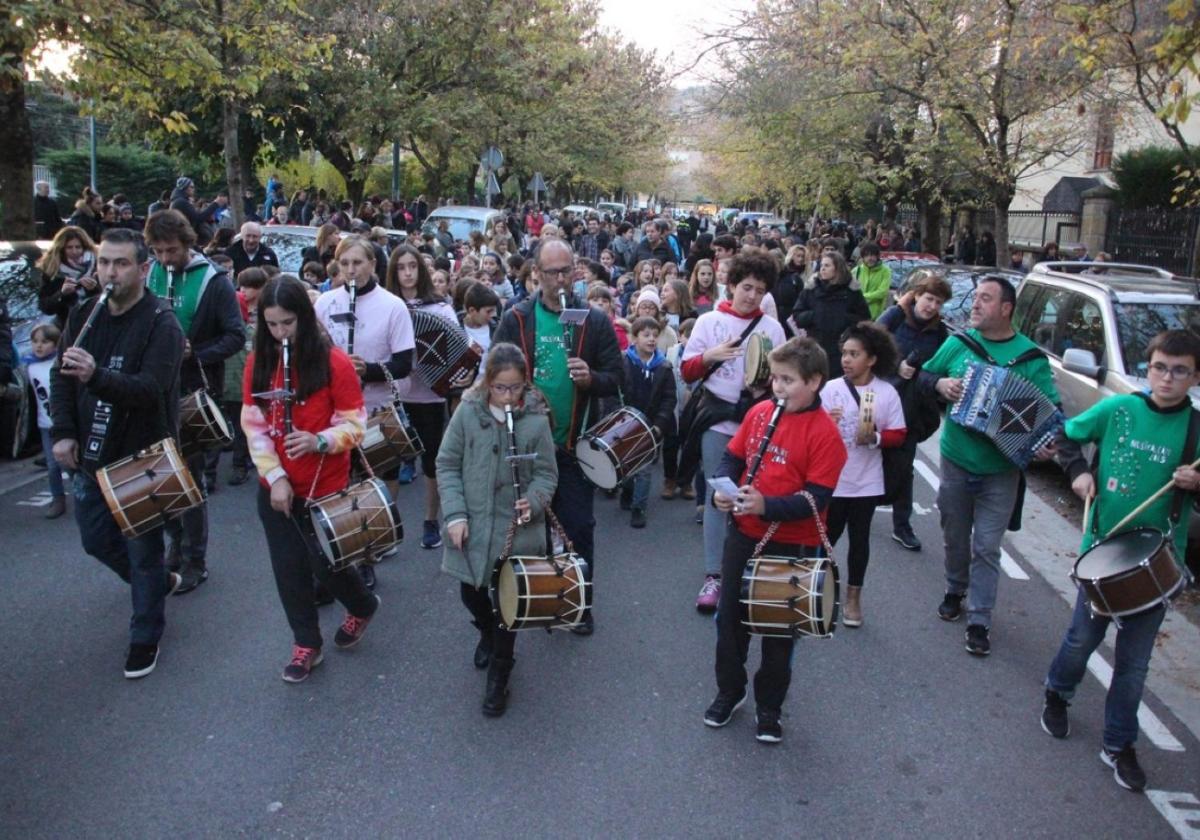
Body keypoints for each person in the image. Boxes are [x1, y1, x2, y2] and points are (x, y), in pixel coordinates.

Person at [1039, 329, 1200, 792]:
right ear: (1147, 369)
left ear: (1193, 376)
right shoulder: (1119, 408)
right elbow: (1065, 438)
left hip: (1159, 560)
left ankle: (1118, 743)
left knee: (1134, 663)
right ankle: (1057, 691)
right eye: (1159, 368)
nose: (1167, 378)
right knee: (1080, 641)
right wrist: (1078, 472)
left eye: (1179, 370)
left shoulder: (1196, 430)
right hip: (1103, 548)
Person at [50, 228, 185, 679]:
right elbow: (61, 374)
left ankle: (145, 636)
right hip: (91, 452)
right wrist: (64, 432)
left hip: (141, 456)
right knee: (95, 541)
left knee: (143, 552)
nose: (109, 271)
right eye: (104, 262)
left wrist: (97, 376)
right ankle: (158, 585)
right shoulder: (86, 313)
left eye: (120, 263)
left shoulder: (161, 322)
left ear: (143, 269)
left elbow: (151, 390)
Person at [704, 337, 848, 743]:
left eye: (788, 380)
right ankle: (729, 692)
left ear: (815, 382)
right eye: (776, 379)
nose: (778, 388)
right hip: (744, 535)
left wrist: (766, 505)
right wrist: (723, 488)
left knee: (779, 631)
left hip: (792, 545)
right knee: (730, 621)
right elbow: (733, 456)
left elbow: (816, 499)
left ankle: (770, 707)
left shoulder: (825, 434)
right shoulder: (760, 411)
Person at [240, 276, 380, 683]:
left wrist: (320, 440)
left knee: (327, 566)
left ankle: (363, 605)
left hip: (325, 485)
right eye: (272, 324)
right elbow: (254, 426)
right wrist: (276, 477)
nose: (280, 332)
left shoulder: (334, 363)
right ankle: (307, 644)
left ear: (304, 317)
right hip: (278, 488)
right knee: (289, 569)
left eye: (288, 323)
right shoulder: (259, 363)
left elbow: (356, 426)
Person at [920, 275, 1058, 656]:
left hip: (1001, 469)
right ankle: (954, 586)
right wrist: (940, 385)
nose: (975, 305)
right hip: (957, 459)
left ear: (1006, 309)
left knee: (987, 546)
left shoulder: (1031, 359)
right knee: (954, 533)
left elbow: (1049, 415)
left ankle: (979, 618)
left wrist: (1046, 444)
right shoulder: (959, 343)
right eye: (975, 297)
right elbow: (922, 375)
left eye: (985, 299)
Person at [493, 239, 624, 635]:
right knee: (523, 526)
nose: (561, 279)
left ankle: (579, 602)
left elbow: (619, 378)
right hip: (525, 446)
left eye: (567, 270)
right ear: (536, 273)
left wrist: (593, 378)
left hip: (573, 443)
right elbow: (494, 375)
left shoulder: (594, 321)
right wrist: (523, 394)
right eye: (552, 272)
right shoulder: (516, 317)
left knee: (578, 526)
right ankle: (535, 597)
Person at [436, 343, 558, 716]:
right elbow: (447, 464)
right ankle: (487, 633)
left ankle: (501, 672)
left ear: (525, 384)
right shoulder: (467, 414)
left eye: (516, 388)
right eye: (500, 388)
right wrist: (455, 515)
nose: (508, 396)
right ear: (487, 382)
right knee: (471, 595)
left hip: (517, 530)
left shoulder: (536, 421)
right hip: (472, 525)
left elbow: (547, 475)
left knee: (509, 606)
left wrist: (534, 500)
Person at [679, 250, 786, 612]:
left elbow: (785, 383)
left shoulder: (773, 329)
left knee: (752, 496)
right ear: (731, 285)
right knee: (718, 495)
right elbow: (687, 370)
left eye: (759, 289)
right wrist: (710, 356)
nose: (751, 295)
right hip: (717, 421)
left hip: (758, 425)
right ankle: (714, 574)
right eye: (746, 287)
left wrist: (770, 385)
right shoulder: (709, 322)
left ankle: (744, 567)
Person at [144, 209, 245, 593]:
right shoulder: (150, 271)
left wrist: (194, 352)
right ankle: (173, 546)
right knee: (159, 477)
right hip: (151, 391)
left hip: (192, 392)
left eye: (171, 250)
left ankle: (194, 560)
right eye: (158, 252)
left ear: (188, 243)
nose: (166, 259)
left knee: (188, 480)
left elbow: (234, 336)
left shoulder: (214, 282)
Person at [315, 235, 416, 580]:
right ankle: (348, 553)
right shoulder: (325, 302)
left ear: (373, 265)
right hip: (335, 412)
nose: (351, 270)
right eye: (344, 264)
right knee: (340, 484)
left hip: (377, 409)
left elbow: (404, 364)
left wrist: (366, 370)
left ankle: (371, 549)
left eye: (358, 263)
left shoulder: (392, 306)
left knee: (376, 481)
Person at [819, 322, 906, 626]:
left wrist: (876, 438)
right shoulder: (830, 389)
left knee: (859, 541)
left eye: (854, 354)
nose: (846, 359)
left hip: (867, 481)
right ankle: (822, 591)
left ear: (872, 359)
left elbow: (899, 433)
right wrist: (827, 423)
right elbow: (813, 432)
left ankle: (854, 598)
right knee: (826, 537)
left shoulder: (885, 392)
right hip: (833, 480)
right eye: (844, 353)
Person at [386, 244, 460, 548]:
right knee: (388, 463)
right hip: (394, 395)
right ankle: (388, 526)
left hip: (429, 396)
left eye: (412, 266)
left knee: (432, 461)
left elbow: (457, 349)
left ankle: (431, 520)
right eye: (401, 267)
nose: (407, 273)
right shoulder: (386, 306)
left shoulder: (439, 307)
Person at [876, 272, 953, 551]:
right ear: (917, 295)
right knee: (864, 455)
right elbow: (870, 340)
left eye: (938, 302)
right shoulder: (896, 317)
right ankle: (850, 507)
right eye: (929, 298)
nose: (931, 306)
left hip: (910, 407)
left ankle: (902, 525)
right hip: (879, 399)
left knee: (903, 467)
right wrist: (897, 365)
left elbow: (939, 369)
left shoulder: (940, 333)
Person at [618, 316, 677, 528]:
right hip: (626, 423)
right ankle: (627, 489)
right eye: (646, 335)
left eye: (655, 335)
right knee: (625, 464)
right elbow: (615, 392)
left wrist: (660, 424)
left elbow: (669, 398)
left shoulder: (664, 367)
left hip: (650, 425)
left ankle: (639, 507)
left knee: (643, 468)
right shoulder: (624, 362)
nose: (652, 339)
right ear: (634, 338)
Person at [790, 250, 871, 376]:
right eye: (821, 265)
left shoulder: (852, 291)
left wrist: (844, 319)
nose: (822, 269)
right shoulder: (811, 289)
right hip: (815, 347)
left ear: (837, 268)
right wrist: (815, 315)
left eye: (827, 266)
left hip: (841, 350)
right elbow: (797, 316)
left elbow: (864, 320)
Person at [222, 266, 266, 486]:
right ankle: (211, 472)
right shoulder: (230, 320)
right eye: (243, 286)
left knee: (244, 428)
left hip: (249, 382)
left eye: (250, 286)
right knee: (226, 424)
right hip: (228, 381)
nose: (245, 290)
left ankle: (241, 464)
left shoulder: (264, 317)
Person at [26, 323, 67, 518]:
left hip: (64, 422)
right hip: (45, 424)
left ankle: (86, 494)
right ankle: (57, 498)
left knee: (71, 462)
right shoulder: (29, 365)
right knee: (52, 465)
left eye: (45, 341)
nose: (38, 346)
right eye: (34, 341)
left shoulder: (59, 363)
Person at [37, 226, 99, 326]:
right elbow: (45, 307)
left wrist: (94, 289)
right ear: (61, 249)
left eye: (78, 247)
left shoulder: (98, 266)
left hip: (96, 324)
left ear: (84, 247)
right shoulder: (52, 271)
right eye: (69, 247)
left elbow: (112, 300)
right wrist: (62, 294)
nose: (74, 252)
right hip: (67, 326)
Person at [168, 178, 227, 247]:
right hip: (184, 237)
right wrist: (216, 203)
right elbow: (198, 218)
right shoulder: (181, 202)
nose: (194, 189)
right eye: (191, 187)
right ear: (185, 187)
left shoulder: (179, 201)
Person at [851, 242, 892, 320]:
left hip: (877, 317)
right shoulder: (856, 271)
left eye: (872, 255)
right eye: (866, 255)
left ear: (877, 256)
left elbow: (882, 292)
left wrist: (861, 298)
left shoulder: (886, 271)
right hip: (857, 317)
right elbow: (851, 293)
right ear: (862, 258)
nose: (870, 258)